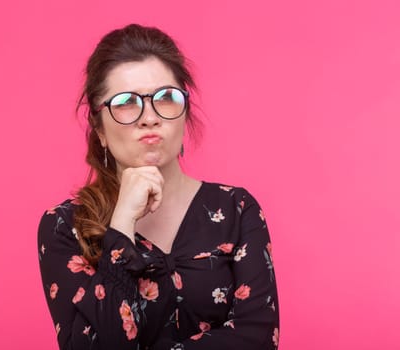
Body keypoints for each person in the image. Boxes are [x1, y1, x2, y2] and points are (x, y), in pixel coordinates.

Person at [37, 24, 279, 350]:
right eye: (125, 102)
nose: (149, 117)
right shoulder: (65, 227)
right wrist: (121, 225)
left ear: (185, 111)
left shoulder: (237, 209)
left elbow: (258, 339)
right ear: (99, 128)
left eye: (165, 98)